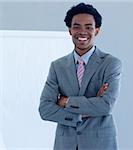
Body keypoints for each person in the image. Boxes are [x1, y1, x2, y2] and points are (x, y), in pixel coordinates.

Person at [39, 3, 122, 150]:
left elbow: (105, 105)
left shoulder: (111, 63)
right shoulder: (57, 66)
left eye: (89, 27)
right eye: (76, 27)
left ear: (97, 30)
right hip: (65, 144)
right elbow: (45, 109)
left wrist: (66, 101)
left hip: (100, 144)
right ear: (70, 30)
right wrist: (80, 115)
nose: (82, 32)